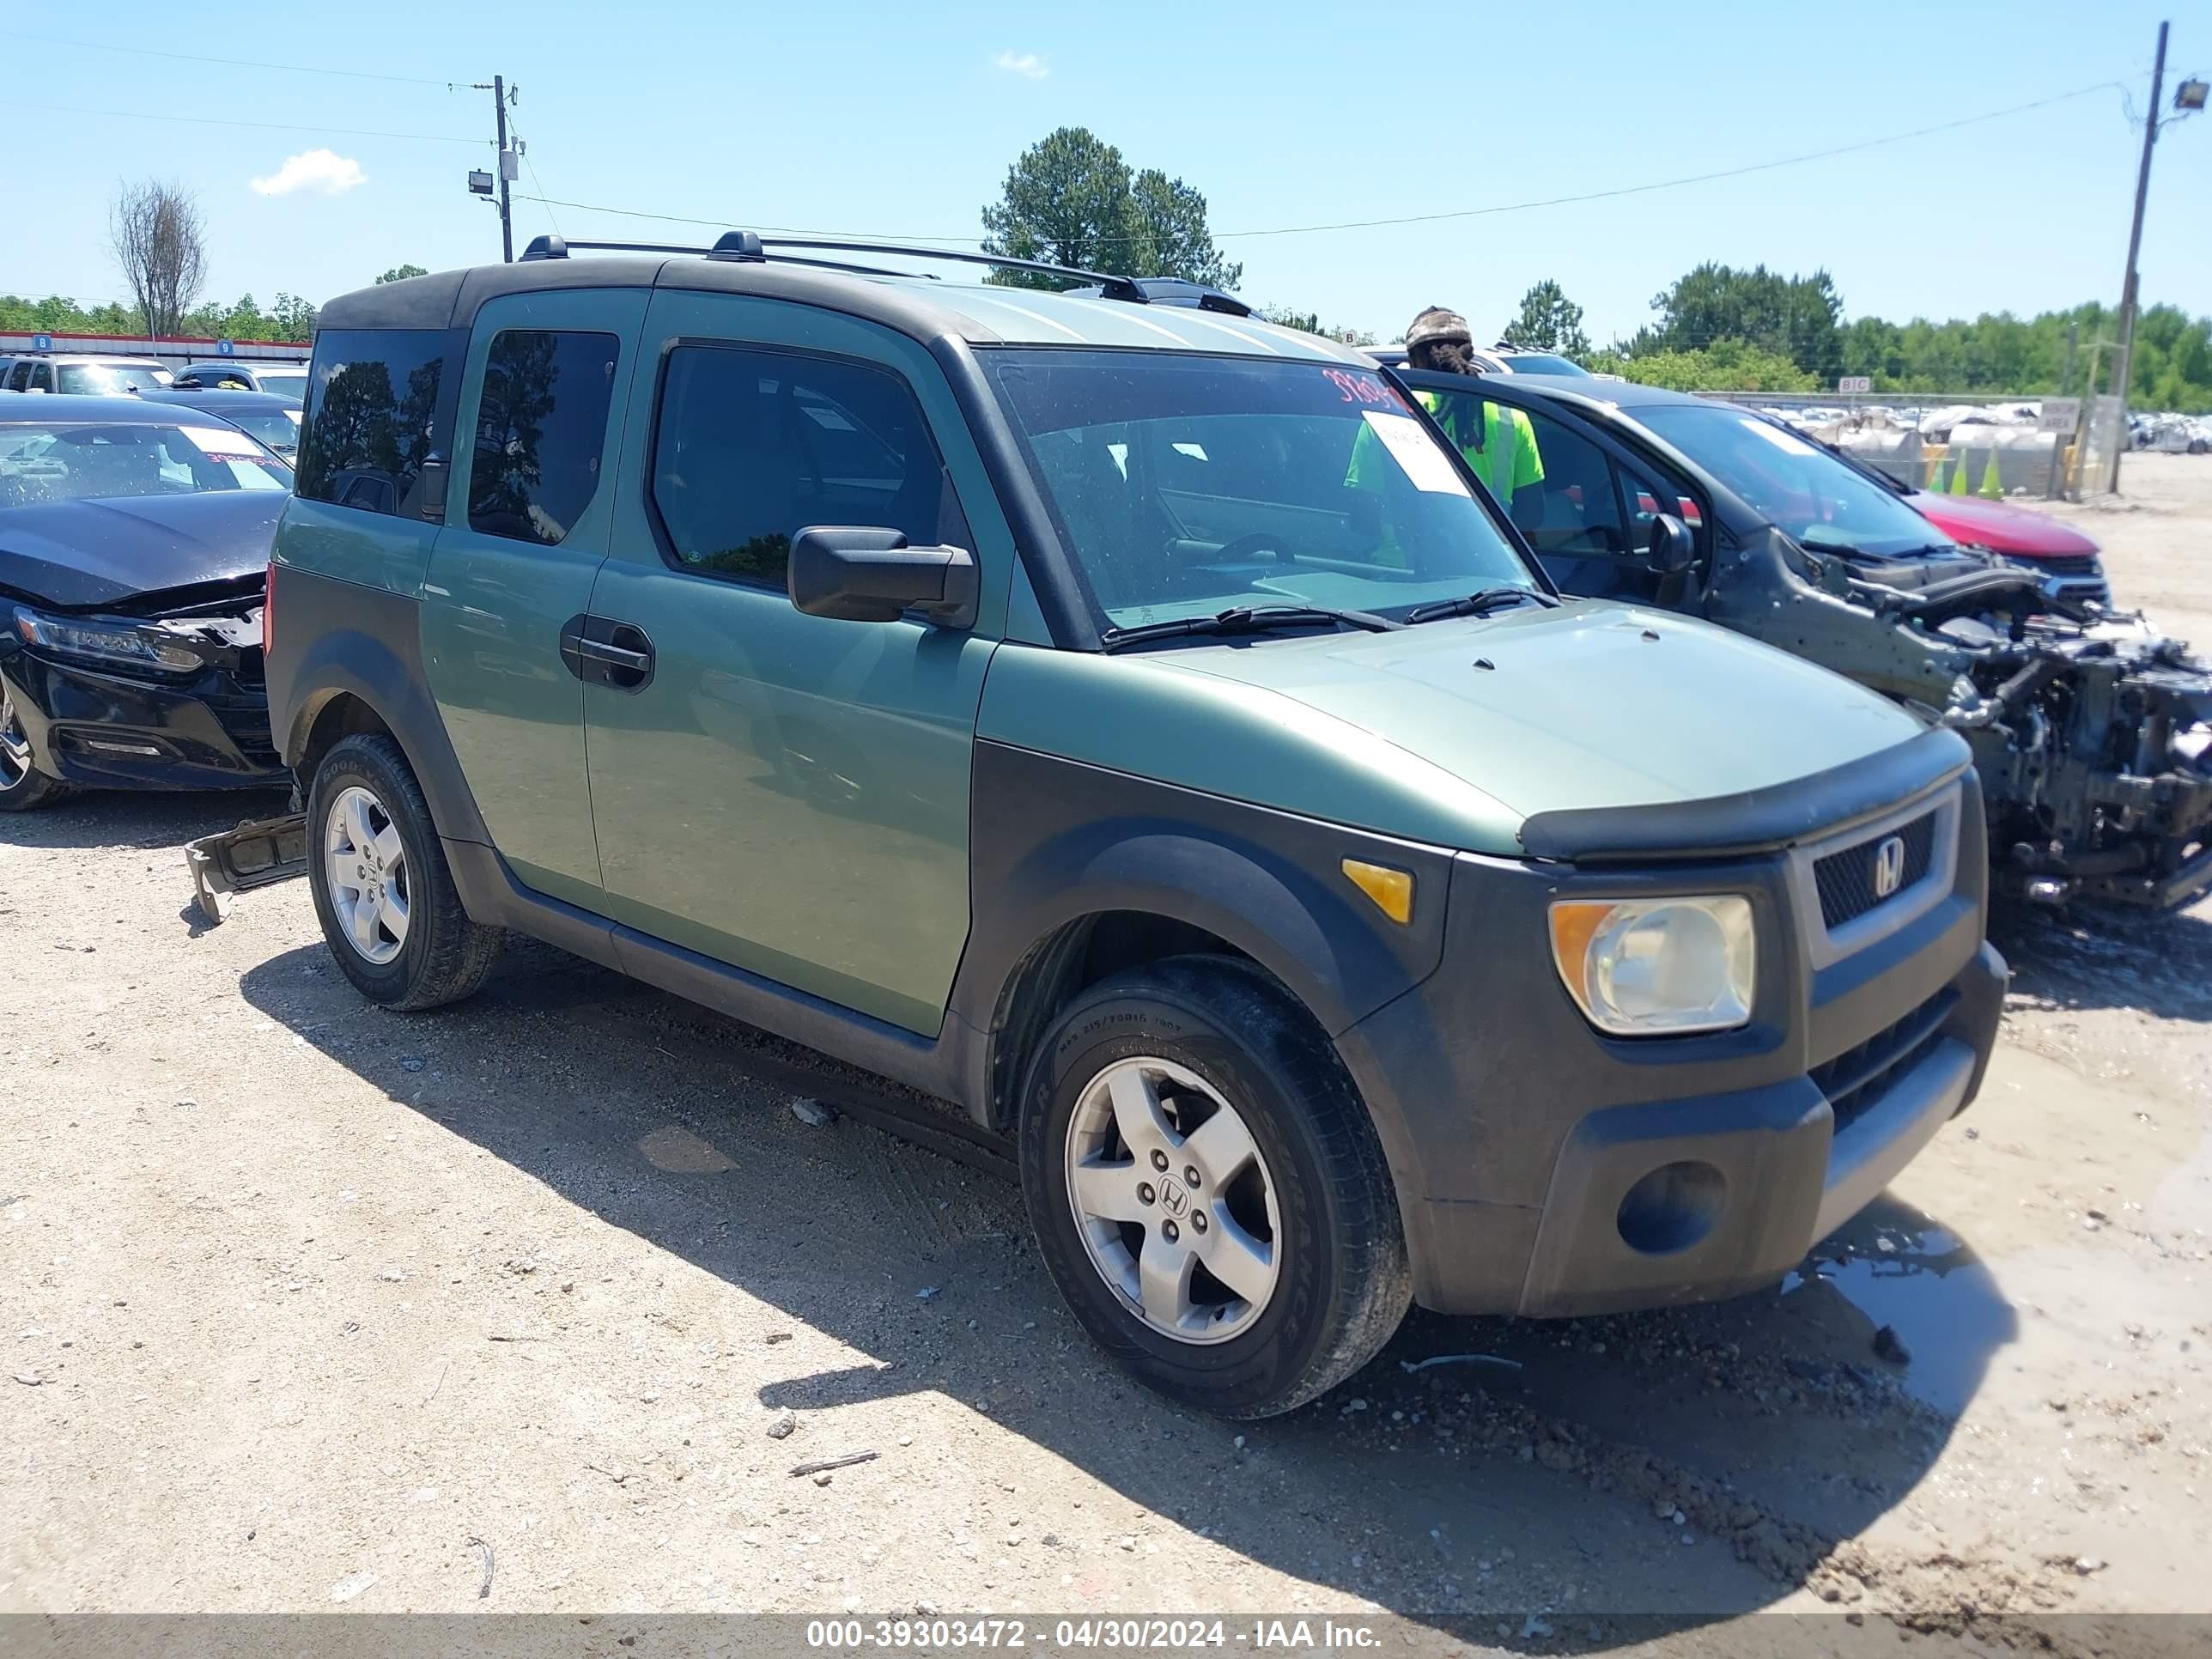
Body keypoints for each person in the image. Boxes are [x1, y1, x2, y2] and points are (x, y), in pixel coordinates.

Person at [1348, 307, 1545, 520]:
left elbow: (1362, 519)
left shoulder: (1390, 411)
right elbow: (1532, 515)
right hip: (1488, 554)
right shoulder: (1511, 415)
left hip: (1400, 554)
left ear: (1414, 359)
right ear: (1468, 353)